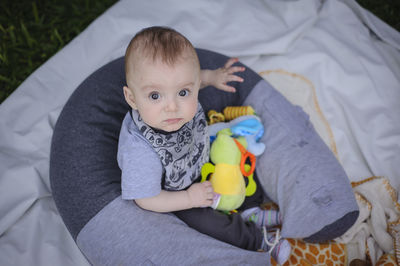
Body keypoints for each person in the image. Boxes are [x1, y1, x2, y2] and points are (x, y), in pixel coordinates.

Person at [117, 26, 290, 264]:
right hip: (177, 191)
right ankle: (258, 239)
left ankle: (251, 209)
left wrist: (212, 77)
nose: (172, 107)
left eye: (183, 92)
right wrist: (189, 198)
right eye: (155, 96)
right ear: (132, 98)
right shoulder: (142, 150)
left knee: (239, 154)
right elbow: (146, 199)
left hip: (199, 153)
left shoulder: (178, 104)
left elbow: (194, 78)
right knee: (208, 223)